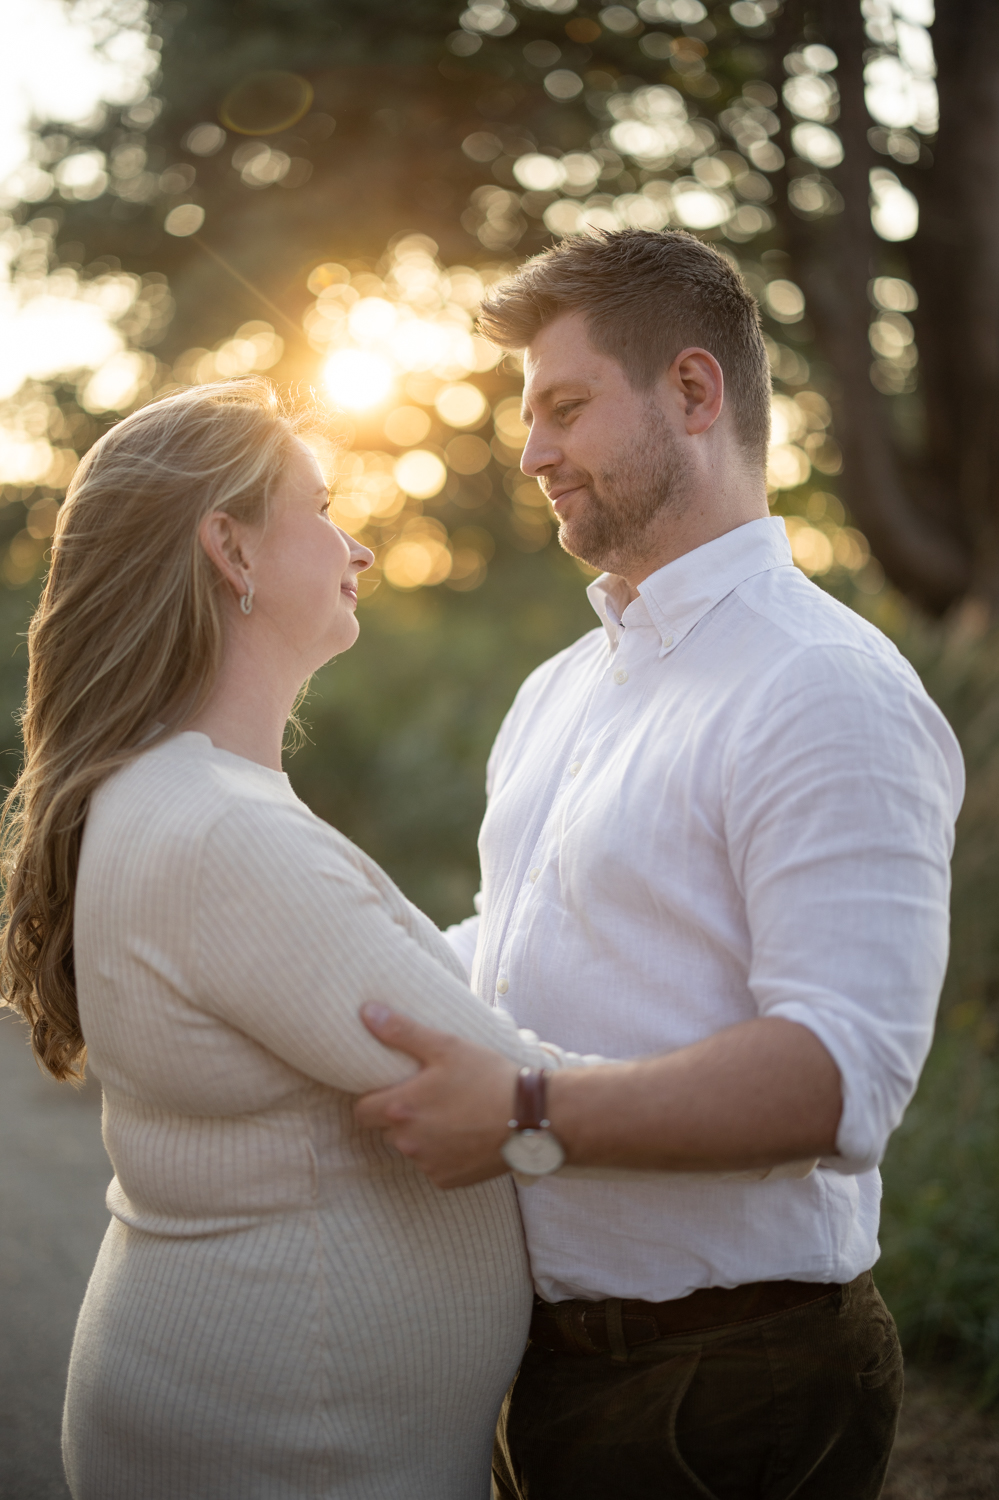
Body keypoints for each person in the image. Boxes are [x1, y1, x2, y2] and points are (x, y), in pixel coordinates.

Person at [355, 229, 965, 1500]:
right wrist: (306, 949)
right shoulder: (559, 689)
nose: (531, 456)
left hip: (736, 1381)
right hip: (541, 1359)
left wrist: (526, 1115)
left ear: (695, 392)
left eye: (565, 408)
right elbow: (517, 953)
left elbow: (837, 1073)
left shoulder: (825, 688)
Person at [0, 379, 605, 1500]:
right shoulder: (218, 834)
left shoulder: (205, 799)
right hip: (290, 1444)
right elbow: (522, 1098)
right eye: (323, 508)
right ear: (228, 547)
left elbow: (398, 975)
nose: (361, 548)